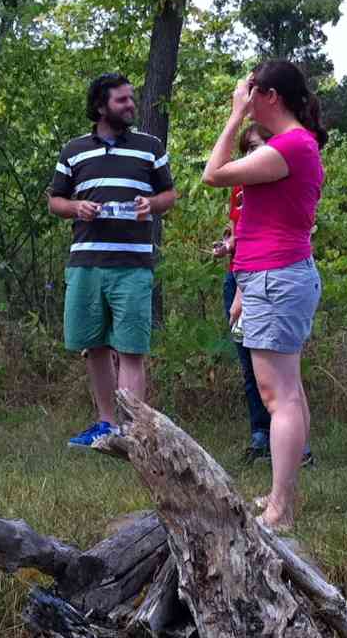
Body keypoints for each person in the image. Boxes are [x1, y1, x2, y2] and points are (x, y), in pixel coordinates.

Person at [202, 61, 327, 531]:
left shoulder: (290, 145)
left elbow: (214, 174)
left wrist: (234, 118)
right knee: (287, 392)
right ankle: (282, 500)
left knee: (280, 397)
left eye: (249, 89)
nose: (242, 95)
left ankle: (280, 510)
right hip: (271, 276)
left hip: (276, 277)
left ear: (268, 95)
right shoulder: (290, 145)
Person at [47, 73, 178, 447]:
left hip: (133, 265)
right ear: (101, 106)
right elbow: (55, 201)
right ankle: (106, 424)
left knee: (131, 348)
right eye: (122, 100)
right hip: (86, 263)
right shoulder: (74, 151)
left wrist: (149, 205)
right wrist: (76, 207)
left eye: (131, 99)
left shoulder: (149, 147)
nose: (130, 105)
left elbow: (169, 195)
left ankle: (133, 432)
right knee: (95, 347)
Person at [211, 122, 275, 460]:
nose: (254, 154)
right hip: (236, 276)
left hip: (261, 279)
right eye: (248, 148)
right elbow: (239, 231)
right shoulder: (239, 186)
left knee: (275, 366)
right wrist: (228, 245)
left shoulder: (279, 184)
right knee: (249, 364)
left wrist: (243, 289)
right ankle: (260, 435)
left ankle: (293, 443)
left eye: (260, 145)